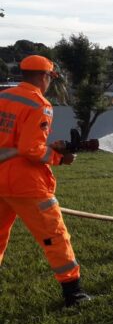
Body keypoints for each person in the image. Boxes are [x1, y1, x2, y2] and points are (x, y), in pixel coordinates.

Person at [0, 55, 90, 307]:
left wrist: (50, 145)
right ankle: (74, 293)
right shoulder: (40, 104)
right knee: (55, 236)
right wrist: (60, 159)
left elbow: (14, 143)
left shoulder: (4, 97)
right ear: (44, 77)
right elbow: (30, 150)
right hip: (26, 184)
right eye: (50, 78)